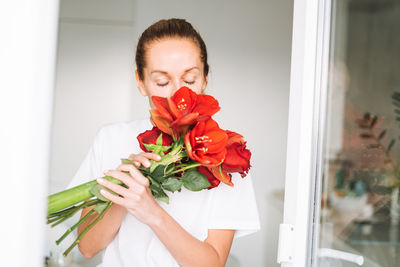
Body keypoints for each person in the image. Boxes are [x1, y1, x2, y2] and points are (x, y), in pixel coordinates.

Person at [66, 18, 260, 267]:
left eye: (190, 80)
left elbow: (212, 264)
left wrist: (152, 213)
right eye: (162, 82)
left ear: (205, 79)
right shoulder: (111, 139)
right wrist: (125, 187)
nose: (178, 93)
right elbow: (88, 247)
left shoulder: (226, 154)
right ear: (140, 82)